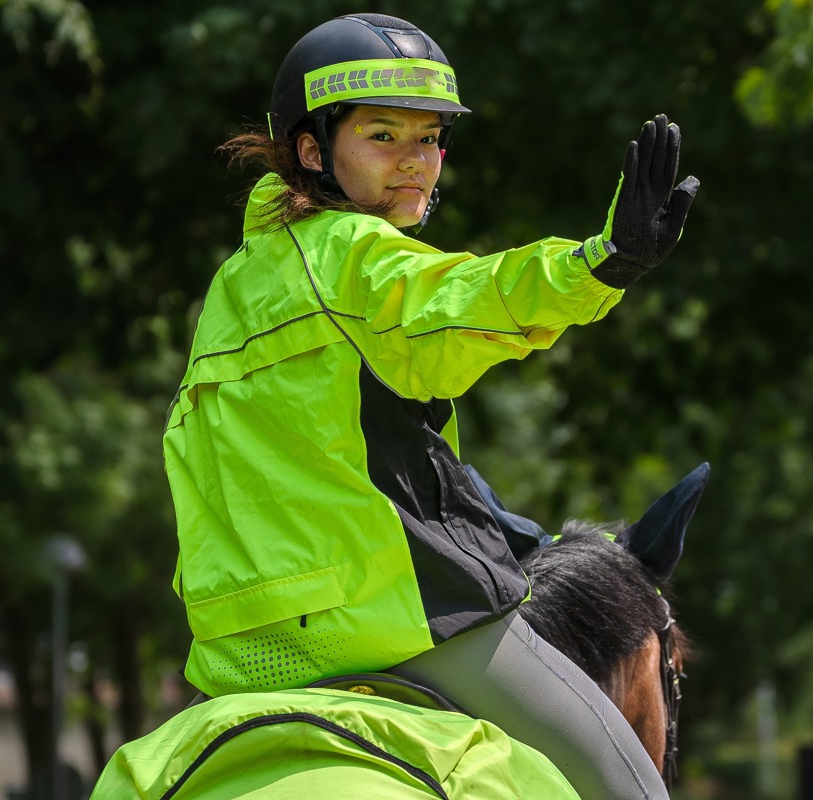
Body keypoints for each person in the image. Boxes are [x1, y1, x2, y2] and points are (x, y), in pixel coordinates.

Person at [162, 13, 696, 798]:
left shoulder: (231, 289)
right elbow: (464, 297)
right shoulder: (353, 255)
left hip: (237, 656)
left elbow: (332, 462)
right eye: (384, 137)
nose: (416, 165)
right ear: (313, 151)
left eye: (430, 140)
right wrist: (600, 263)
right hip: (389, 627)